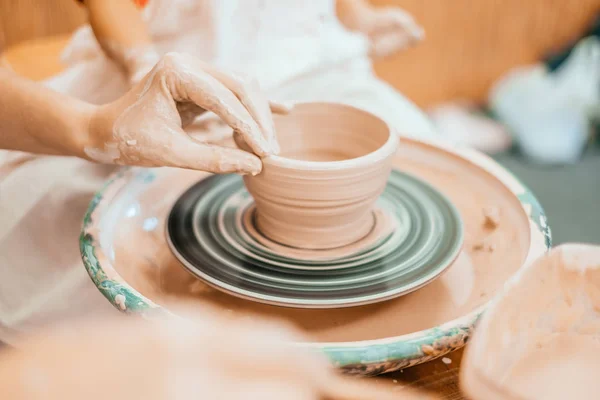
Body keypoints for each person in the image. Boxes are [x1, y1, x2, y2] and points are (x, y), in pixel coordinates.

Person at [0, 0, 436, 343]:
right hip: (180, 76)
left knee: (433, 159)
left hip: (313, 66)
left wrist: (361, 19)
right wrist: (138, 68)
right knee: (63, 220)